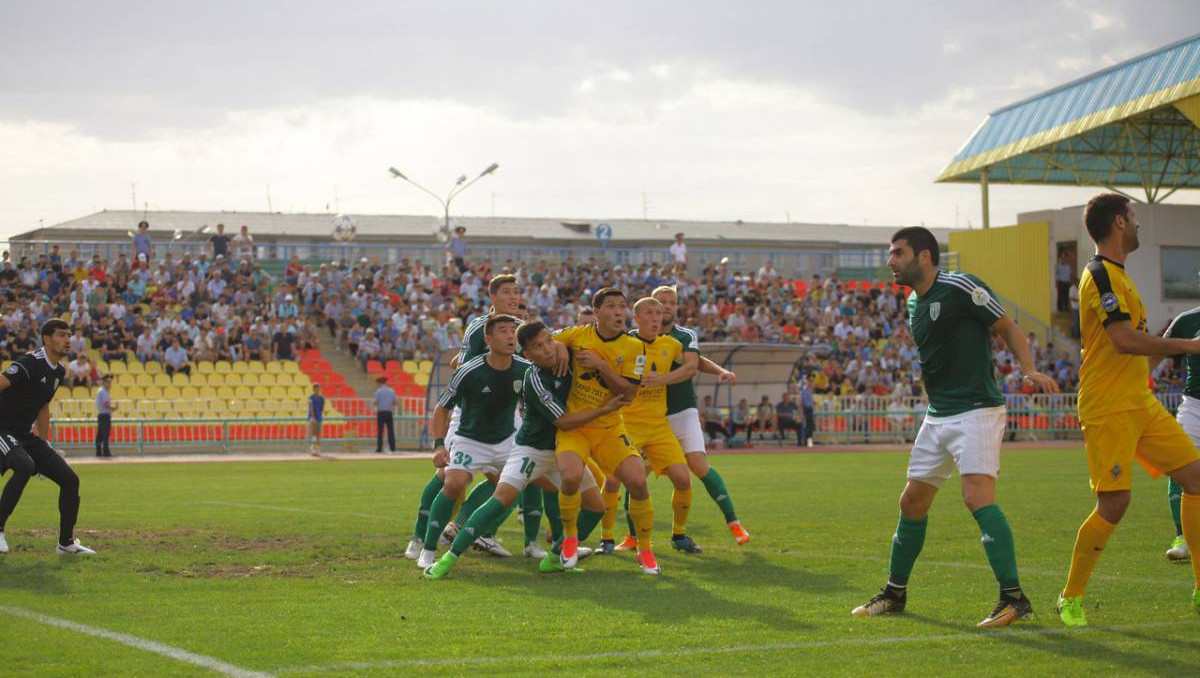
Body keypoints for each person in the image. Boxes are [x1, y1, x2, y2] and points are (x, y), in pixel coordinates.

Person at [852, 226, 1056, 628]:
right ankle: (894, 593)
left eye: (897, 253)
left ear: (924, 256)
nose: (890, 261)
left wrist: (1028, 370)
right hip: (939, 413)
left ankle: (1014, 598)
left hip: (977, 410)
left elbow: (1008, 327)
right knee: (911, 502)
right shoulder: (913, 302)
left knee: (977, 497)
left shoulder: (961, 286)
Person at [1057, 194, 1200, 627]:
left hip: (1139, 402)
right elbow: (1122, 339)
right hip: (1109, 407)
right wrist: (1186, 347)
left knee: (1196, 479)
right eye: (1135, 218)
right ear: (1119, 222)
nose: (1138, 225)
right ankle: (1071, 597)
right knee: (1115, 503)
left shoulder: (1120, 275)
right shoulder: (1100, 274)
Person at [424, 321, 627, 579]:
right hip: (532, 449)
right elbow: (563, 421)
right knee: (501, 500)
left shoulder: (567, 356)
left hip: (563, 449)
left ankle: (555, 557)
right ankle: (448, 558)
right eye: (539, 347)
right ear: (528, 355)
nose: (548, 350)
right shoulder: (535, 378)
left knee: (596, 507)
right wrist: (603, 411)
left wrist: (564, 345)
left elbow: (577, 336)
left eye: (549, 342)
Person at [552, 288, 658, 573]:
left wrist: (601, 366)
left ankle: (645, 549)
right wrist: (561, 346)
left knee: (638, 482)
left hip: (610, 428)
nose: (618, 312)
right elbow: (547, 339)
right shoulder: (577, 334)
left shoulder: (636, 348)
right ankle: (571, 537)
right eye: (610, 306)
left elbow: (629, 394)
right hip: (576, 427)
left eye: (622, 306)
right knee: (571, 476)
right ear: (596, 313)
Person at [415, 315, 529, 570]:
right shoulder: (469, 371)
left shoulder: (524, 369)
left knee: (509, 492)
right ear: (488, 339)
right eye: (503, 331)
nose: (511, 336)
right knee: (453, 483)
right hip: (471, 440)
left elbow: (530, 404)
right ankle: (429, 548)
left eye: (513, 331)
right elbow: (442, 408)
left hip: (505, 440)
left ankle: (473, 530)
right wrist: (439, 445)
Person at [649, 285, 750, 547]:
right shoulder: (637, 337)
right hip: (649, 415)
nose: (667, 306)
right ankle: (631, 537)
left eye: (671, 302)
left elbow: (692, 364)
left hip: (682, 411)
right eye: (662, 302)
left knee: (697, 465)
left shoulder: (684, 335)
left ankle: (733, 522)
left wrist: (720, 371)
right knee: (636, 474)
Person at [0, 319, 95, 555]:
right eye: (61, 335)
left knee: (70, 480)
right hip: (3, 429)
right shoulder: (31, 362)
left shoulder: (59, 371)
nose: (67, 340)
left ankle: (66, 543)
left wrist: (44, 442)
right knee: (24, 466)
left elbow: (43, 406)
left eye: (69, 335)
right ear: (46, 338)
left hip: (24, 434)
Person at [374, 376, 396, 454]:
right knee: (391, 431)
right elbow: (394, 402)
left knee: (380, 431)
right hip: (389, 412)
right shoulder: (392, 391)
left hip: (381, 412)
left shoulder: (378, 391)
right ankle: (393, 448)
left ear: (379, 383)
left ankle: (379, 448)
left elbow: (376, 402)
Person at [95, 374, 115, 458]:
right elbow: (105, 404)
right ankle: (106, 452)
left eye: (110, 382)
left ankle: (99, 451)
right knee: (105, 435)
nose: (110, 384)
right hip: (104, 415)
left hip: (102, 415)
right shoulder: (103, 391)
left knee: (100, 434)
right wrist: (113, 408)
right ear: (104, 382)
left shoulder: (102, 390)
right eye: (108, 382)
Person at [308, 383, 325, 457]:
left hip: (319, 417)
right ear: (314, 389)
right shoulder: (311, 397)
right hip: (313, 417)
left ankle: (318, 449)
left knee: (318, 434)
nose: (317, 390)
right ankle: (313, 449)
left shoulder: (322, 398)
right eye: (316, 388)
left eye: (318, 388)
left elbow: (322, 408)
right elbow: (311, 408)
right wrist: (313, 417)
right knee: (313, 434)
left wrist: (319, 416)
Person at [800, 375, 816, 447]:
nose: (812, 383)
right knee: (808, 425)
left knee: (810, 425)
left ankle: (809, 440)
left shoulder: (809, 390)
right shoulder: (805, 390)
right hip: (807, 409)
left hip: (809, 409)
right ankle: (807, 440)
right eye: (810, 381)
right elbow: (803, 401)